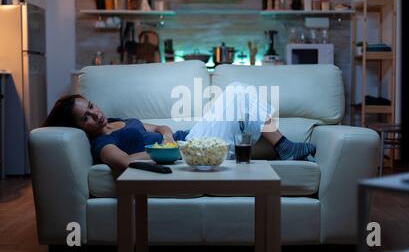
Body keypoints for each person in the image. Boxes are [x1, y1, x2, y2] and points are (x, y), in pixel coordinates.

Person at [43, 92, 316, 176]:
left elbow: (160, 127)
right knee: (237, 92)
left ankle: (285, 146)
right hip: (191, 150)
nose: (95, 114)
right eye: (86, 117)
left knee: (241, 97)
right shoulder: (103, 141)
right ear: (80, 127)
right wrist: (170, 150)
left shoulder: (117, 122)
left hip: (190, 137)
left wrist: (166, 135)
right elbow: (123, 162)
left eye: (91, 106)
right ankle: (285, 147)